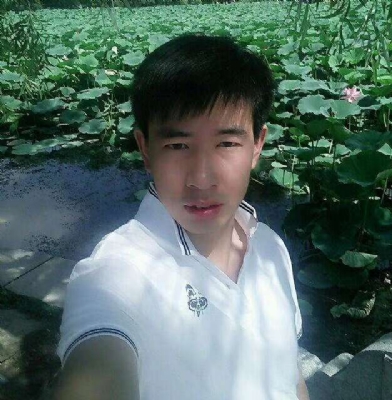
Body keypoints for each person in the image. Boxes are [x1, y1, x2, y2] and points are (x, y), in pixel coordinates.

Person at [51, 34, 309, 400]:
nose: (201, 179)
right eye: (178, 145)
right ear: (145, 149)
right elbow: (99, 355)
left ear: (257, 146)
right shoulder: (117, 273)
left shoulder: (270, 248)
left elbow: (289, 374)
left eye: (227, 143)